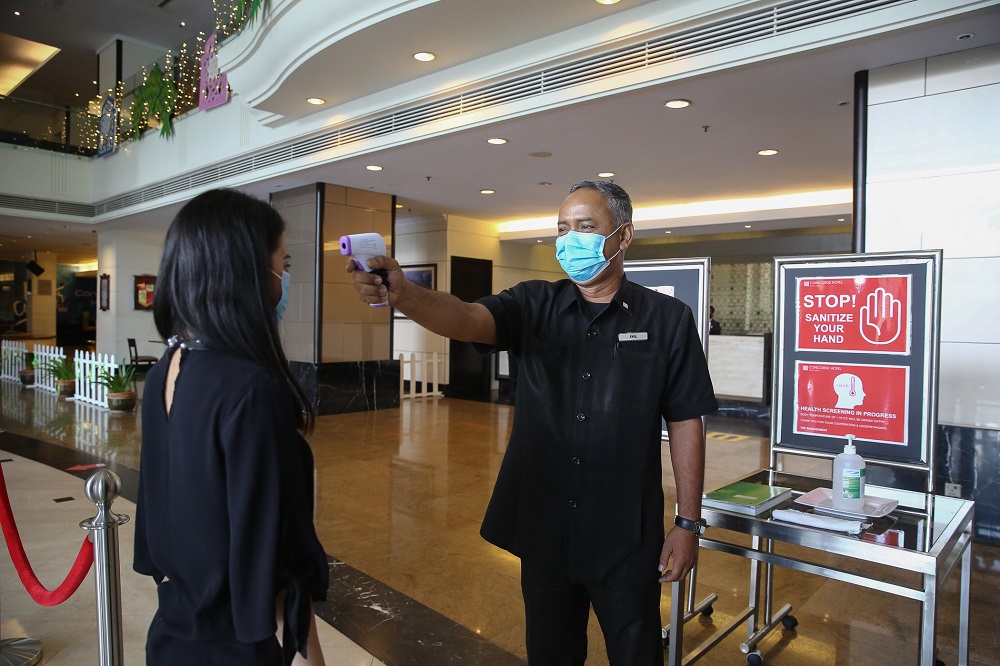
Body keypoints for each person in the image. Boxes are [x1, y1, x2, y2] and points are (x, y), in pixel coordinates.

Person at [348, 180, 717, 665]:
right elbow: (464, 317)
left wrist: (688, 523)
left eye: (586, 227)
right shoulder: (533, 304)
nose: (571, 239)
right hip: (545, 526)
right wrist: (405, 296)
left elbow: (687, 420)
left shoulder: (667, 318)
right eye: (563, 228)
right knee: (551, 654)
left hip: (625, 533)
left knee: (636, 653)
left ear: (623, 237)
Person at [133, 189, 328, 665]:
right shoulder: (250, 390)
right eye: (282, 266)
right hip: (237, 649)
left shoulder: (168, 367)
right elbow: (274, 569)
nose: (284, 281)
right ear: (247, 274)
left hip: (175, 634)